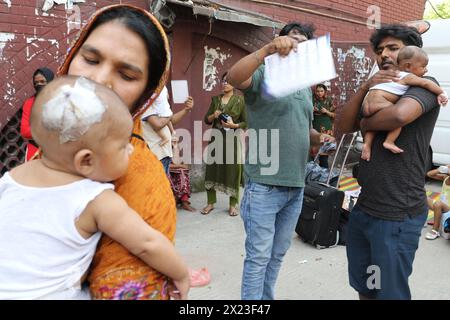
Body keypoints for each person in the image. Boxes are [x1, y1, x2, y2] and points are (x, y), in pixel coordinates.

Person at [0, 76, 189, 300]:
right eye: (122, 146)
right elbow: (148, 244)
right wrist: (181, 274)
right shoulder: (96, 199)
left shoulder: (10, 179)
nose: (131, 150)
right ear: (86, 161)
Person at [59, 4, 192, 299]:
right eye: (90, 59)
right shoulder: (54, 147)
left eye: (126, 75)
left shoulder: (139, 180)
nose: (99, 80)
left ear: (147, 95)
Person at [227, 22, 333, 300]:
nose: (294, 45)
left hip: (296, 185)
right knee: (259, 257)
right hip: (264, 184)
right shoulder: (264, 73)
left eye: (302, 42)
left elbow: (303, 128)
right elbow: (234, 78)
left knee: (276, 255)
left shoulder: (305, 87)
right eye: (290, 39)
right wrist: (266, 50)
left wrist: (319, 139)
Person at [336, 24, 441, 300]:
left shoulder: (425, 86)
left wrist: (365, 121)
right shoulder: (380, 87)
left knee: (390, 292)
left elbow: (398, 117)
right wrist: (365, 86)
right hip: (364, 208)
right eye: (379, 50)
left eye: (392, 48)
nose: (384, 55)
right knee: (366, 286)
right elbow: (342, 126)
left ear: (411, 54)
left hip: (397, 212)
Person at [361, 46, 448, 161]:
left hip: (366, 105)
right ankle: (389, 141)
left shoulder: (389, 74)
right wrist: (441, 92)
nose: (426, 70)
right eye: (423, 66)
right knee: (395, 120)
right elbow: (426, 84)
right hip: (381, 103)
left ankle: (367, 144)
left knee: (373, 126)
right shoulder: (407, 76)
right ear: (408, 66)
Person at [201, 72, 247, 217]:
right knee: (212, 169)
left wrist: (235, 125)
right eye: (223, 81)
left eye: (228, 81)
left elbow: (246, 122)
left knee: (233, 170)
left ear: (235, 84)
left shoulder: (240, 101)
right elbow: (206, 120)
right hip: (216, 138)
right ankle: (210, 203)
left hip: (232, 140)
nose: (224, 83)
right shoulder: (215, 100)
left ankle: (233, 205)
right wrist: (213, 115)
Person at [141, 85, 194, 175]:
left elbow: (170, 121)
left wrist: (186, 109)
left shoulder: (159, 109)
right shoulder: (147, 104)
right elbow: (158, 124)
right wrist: (168, 114)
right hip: (154, 154)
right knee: (156, 187)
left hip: (163, 153)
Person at [20, 67, 54, 161]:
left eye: (42, 81)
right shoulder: (29, 103)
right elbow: (25, 131)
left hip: (56, 152)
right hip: (34, 151)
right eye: (36, 83)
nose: (39, 84)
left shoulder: (60, 100)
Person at [168, 135, 196, 212]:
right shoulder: (160, 147)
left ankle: (184, 202)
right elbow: (164, 165)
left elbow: (176, 162)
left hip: (174, 171)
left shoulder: (174, 146)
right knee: (180, 172)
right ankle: (176, 199)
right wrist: (180, 165)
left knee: (182, 174)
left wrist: (175, 147)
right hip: (164, 172)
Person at [312, 83, 336, 168]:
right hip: (315, 129)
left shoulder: (329, 100)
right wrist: (312, 110)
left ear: (325, 91)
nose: (319, 93)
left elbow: (335, 115)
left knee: (324, 155)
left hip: (326, 129)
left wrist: (326, 111)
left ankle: (325, 174)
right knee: (313, 153)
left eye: (321, 91)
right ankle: (313, 173)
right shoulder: (312, 100)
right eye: (317, 91)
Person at [425, 165, 450, 240]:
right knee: (422, 195)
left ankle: (435, 231)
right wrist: (441, 169)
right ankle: (421, 219)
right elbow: (429, 174)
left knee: (438, 204)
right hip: (439, 206)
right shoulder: (445, 177)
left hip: (448, 209)